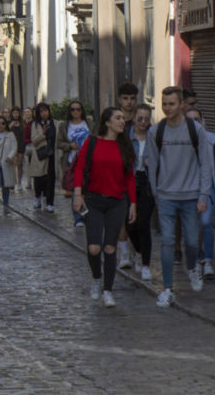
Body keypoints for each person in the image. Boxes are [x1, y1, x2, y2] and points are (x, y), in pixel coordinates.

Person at [148, 87, 213, 308]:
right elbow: (153, 165)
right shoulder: (156, 132)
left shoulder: (196, 130)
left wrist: (204, 194)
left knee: (193, 242)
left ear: (182, 104)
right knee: (167, 242)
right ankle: (167, 289)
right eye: (164, 104)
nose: (167, 108)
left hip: (191, 195)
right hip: (166, 196)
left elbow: (206, 163)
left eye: (172, 104)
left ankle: (193, 268)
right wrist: (155, 192)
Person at [72, 107, 136, 308]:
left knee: (110, 247)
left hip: (117, 201)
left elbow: (129, 177)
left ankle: (108, 291)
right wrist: (77, 194)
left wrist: (133, 203)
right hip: (94, 200)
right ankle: (96, 278)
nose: (122, 121)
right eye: (117, 118)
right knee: (94, 247)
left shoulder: (124, 147)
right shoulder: (91, 142)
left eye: (123, 119)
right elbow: (80, 167)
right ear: (107, 122)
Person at [186, 107, 215, 279]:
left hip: (207, 188)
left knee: (206, 223)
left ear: (202, 121)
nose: (194, 123)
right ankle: (197, 260)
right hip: (187, 189)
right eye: (190, 120)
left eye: (197, 119)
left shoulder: (211, 140)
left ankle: (208, 261)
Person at [125, 104, 156, 281]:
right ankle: (137, 251)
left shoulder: (154, 136)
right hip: (129, 181)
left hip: (146, 182)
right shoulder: (126, 137)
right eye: (140, 118)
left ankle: (145, 264)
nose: (143, 122)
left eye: (146, 118)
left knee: (143, 223)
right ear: (134, 117)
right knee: (130, 225)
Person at [115, 82, 139, 267]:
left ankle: (137, 251)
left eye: (132, 99)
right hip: (119, 174)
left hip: (139, 174)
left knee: (137, 218)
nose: (129, 102)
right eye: (125, 99)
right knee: (121, 215)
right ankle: (124, 254)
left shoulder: (141, 118)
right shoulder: (114, 120)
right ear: (119, 100)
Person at [57, 100, 92, 227]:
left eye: (78, 109)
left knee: (88, 189)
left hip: (90, 160)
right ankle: (79, 217)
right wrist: (70, 145)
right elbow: (59, 143)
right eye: (73, 109)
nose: (75, 112)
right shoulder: (64, 125)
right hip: (73, 161)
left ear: (82, 111)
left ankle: (89, 215)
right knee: (76, 189)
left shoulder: (88, 122)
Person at [27, 102, 57, 212]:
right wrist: (43, 133)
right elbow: (34, 140)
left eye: (45, 110)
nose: (44, 113)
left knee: (50, 179)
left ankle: (49, 202)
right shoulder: (35, 125)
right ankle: (37, 196)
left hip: (51, 155)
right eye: (41, 111)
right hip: (41, 155)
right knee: (39, 179)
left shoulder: (54, 123)